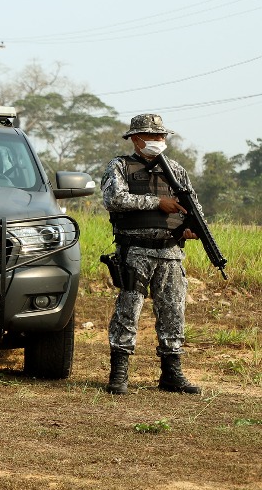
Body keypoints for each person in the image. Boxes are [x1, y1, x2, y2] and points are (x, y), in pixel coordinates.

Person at [103, 113, 203, 395]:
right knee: (128, 311)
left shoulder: (177, 170)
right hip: (134, 251)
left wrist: (190, 228)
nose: (159, 141)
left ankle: (172, 373)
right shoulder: (121, 166)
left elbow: (193, 208)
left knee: (173, 311)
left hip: (170, 252)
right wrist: (158, 202)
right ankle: (119, 374)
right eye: (153, 136)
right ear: (136, 139)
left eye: (162, 136)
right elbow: (114, 200)